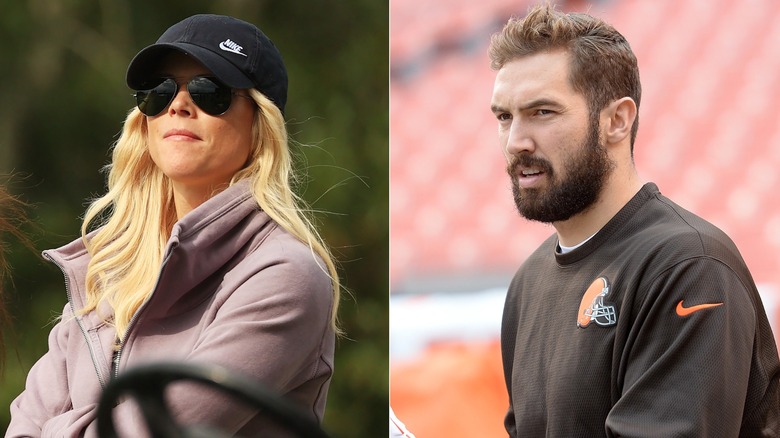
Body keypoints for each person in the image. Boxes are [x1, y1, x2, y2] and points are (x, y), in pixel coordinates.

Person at [7, 14, 340, 437]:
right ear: (143, 121)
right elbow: (22, 427)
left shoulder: (285, 276)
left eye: (209, 91)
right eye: (160, 92)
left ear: (260, 124)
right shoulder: (107, 269)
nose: (178, 105)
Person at [489, 3, 780, 437]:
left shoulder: (689, 268)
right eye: (504, 117)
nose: (516, 142)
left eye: (542, 112)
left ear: (617, 121)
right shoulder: (528, 283)